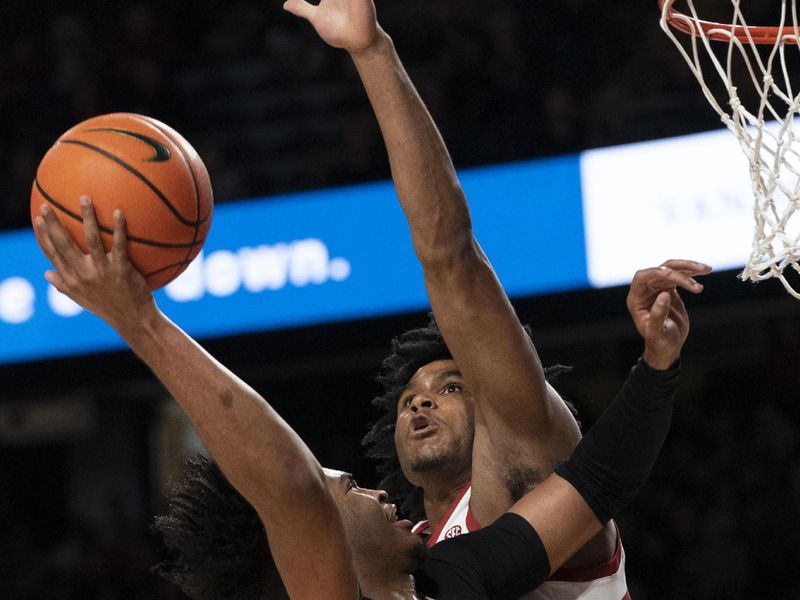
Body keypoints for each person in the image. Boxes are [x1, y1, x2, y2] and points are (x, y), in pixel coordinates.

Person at [34, 198, 702, 599]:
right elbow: (291, 486)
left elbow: (599, 478)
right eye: (348, 485)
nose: (377, 491)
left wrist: (657, 364)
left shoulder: (456, 576)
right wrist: (141, 322)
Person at [283, 0, 713, 596]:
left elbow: (449, 254)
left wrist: (372, 52)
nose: (419, 407)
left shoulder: (522, 466)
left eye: (451, 387)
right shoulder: (418, 567)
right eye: (410, 400)